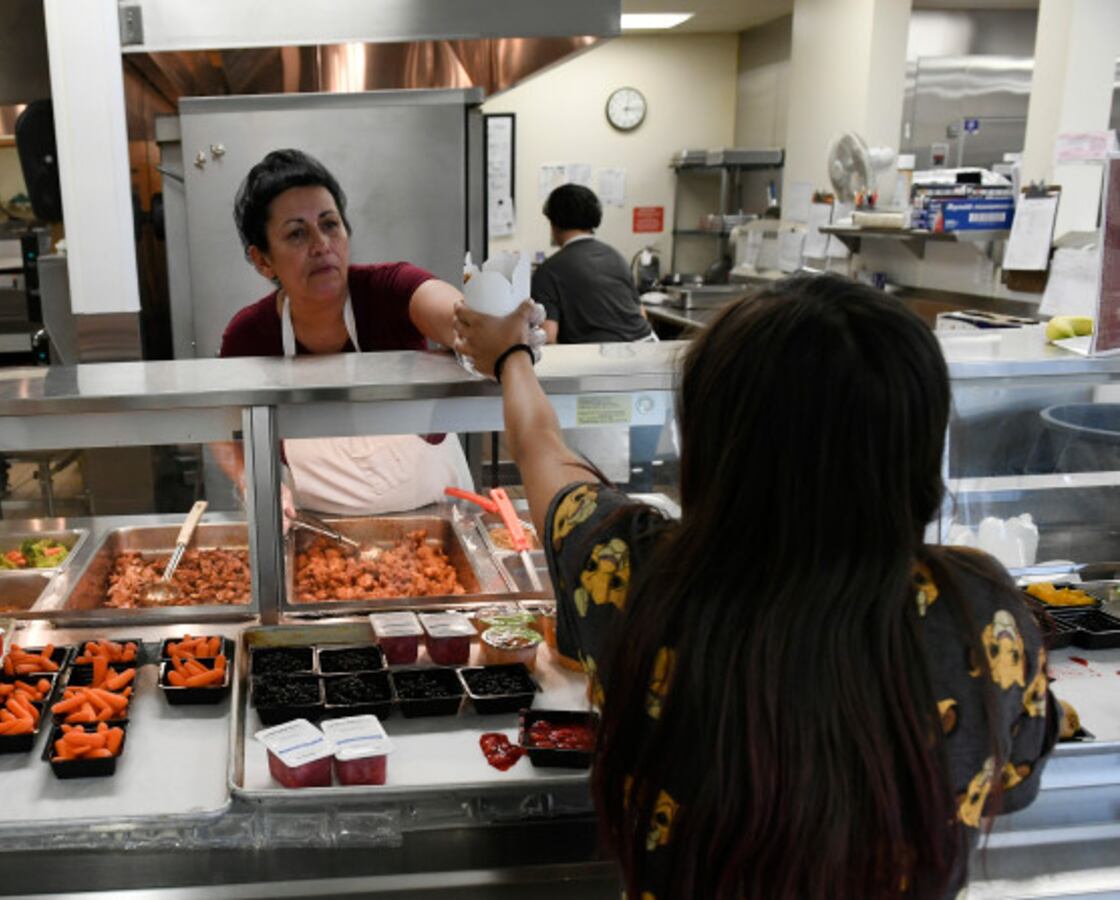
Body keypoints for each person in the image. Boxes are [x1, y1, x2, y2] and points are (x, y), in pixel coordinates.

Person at [452, 274, 1064, 899]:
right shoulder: (982, 613)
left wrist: (511, 358)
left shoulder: (637, 576)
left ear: (715, 446)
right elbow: (1011, 778)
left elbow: (543, 452)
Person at [214, 149, 478, 515]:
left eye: (329, 224)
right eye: (296, 234)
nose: (321, 245)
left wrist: (488, 326)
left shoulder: (391, 290)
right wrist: (251, 480)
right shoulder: (249, 336)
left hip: (437, 521)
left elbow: (456, 318)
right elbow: (221, 424)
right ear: (263, 260)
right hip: (324, 536)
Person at [532, 184, 652, 344]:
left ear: (553, 224)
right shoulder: (616, 256)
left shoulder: (548, 271)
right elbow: (641, 313)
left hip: (599, 359)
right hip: (647, 346)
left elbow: (547, 337)